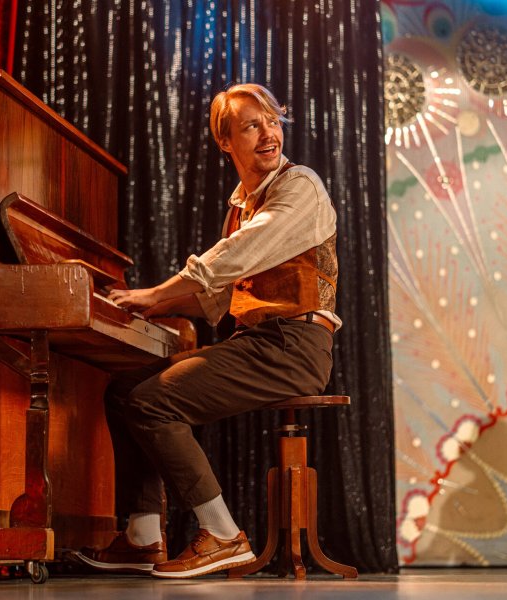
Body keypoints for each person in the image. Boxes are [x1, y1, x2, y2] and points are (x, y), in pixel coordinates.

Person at [74, 83, 339, 579]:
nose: (269, 134)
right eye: (252, 126)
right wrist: (145, 307)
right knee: (124, 390)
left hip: (295, 347)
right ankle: (143, 536)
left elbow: (233, 257)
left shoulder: (300, 185)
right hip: (261, 342)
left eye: (273, 122)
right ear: (225, 141)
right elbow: (217, 298)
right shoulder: (241, 205)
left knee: (152, 403)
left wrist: (153, 294)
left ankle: (222, 534)